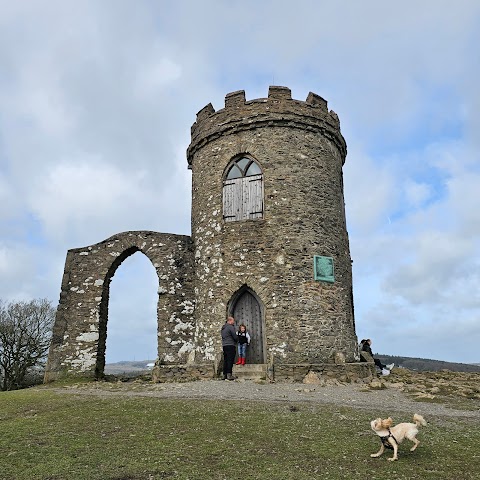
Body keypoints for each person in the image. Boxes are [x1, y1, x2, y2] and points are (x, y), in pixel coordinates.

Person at [221, 316, 238, 380]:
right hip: (230, 345)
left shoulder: (223, 328)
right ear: (230, 321)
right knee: (230, 360)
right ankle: (229, 375)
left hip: (224, 345)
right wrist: (237, 340)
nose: (234, 322)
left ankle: (224, 375)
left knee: (226, 360)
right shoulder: (230, 327)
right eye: (233, 321)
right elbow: (235, 336)